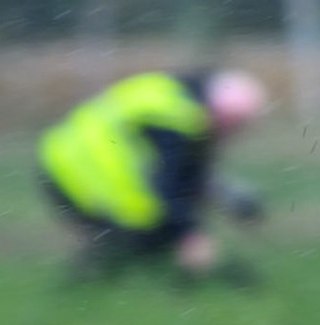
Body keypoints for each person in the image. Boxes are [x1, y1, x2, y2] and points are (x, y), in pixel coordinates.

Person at [38, 70, 268, 280]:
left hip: (60, 159)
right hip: (73, 172)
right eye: (235, 126)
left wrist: (219, 196)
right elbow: (171, 184)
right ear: (223, 116)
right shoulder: (178, 120)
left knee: (137, 238)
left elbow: (185, 174)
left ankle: (98, 285)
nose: (232, 135)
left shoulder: (176, 100)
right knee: (149, 232)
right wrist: (191, 235)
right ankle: (97, 286)